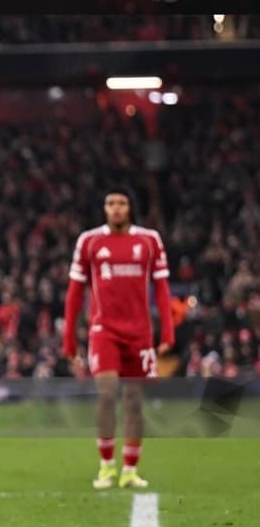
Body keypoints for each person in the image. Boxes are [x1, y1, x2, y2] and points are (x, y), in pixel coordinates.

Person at [62, 188, 174, 490]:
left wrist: (168, 330)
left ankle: (130, 468)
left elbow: (162, 288)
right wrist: (68, 337)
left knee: (135, 402)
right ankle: (107, 465)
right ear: (104, 208)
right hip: (104, 330)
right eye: (110, 203)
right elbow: (75, 292)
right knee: (107, 393)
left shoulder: (149, 240)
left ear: (130, 208)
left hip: (140, 333)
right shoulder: (89, 241)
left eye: (122, 203)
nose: (115, 208)